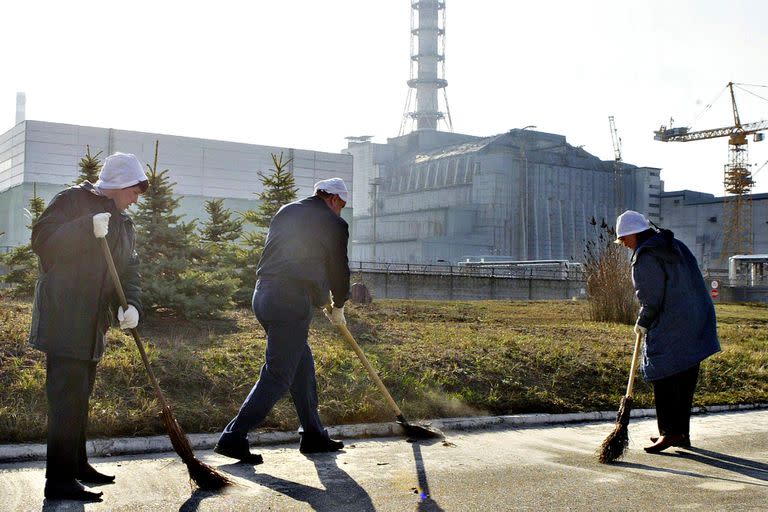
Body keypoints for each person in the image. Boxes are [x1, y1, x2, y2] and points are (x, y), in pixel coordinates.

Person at [30, 152, 148, 501]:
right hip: (65, 318)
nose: (137, 198)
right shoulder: (71, 201)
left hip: (93, 323)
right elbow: (42, 240)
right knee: (66, 402)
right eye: (134, 190)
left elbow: (129, 271)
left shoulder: (124, 223)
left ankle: (78, 466)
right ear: (118, 185)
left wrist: (133, 306)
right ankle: (59, 482)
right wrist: (84, 227)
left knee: (80, 400)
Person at [215, 177, 351, 463]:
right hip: (290, 301)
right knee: (278, 374)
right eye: (342, 205)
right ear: (334, 199)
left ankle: (313, 435)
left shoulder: (287, 210)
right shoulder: (333, 223)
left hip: (263, 295)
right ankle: (233, 437)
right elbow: (337, 268)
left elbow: (295, 258)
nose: (341, 211)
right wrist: (338, 303)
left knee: (302, 364)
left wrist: (319, 297)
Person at [614, 210, 720, 453]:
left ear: (634, 234)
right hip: (697, 319)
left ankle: (669, 433)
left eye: (624, 239)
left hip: (672, 322)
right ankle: (681, 433)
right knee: (684, 376)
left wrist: (644, 321)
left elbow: (651, 297)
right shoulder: (675, 246)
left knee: (663, 373)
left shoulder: (646, 255)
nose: (624, 245)